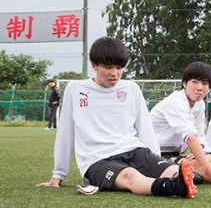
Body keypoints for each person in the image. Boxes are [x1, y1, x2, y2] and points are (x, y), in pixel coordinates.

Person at [37, 37, 196, 198]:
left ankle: (179, 180)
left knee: (174, 170)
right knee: (131, 176)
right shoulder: (75, 89)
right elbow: (66, 132)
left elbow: (145, 129)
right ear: (94, 65)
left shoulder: (131, 88)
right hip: (98, 160)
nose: (115, 73)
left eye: (119, 68)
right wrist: (58, 174)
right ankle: (170, 187)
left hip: (134, 151)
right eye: (108, 67)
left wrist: (155, 161)